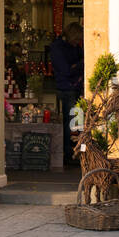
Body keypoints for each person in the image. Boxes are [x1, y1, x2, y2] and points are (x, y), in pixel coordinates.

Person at [49, 21, 84, 166]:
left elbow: (73, 67)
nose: (78, 43)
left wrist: (77, 65)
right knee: (71, 122)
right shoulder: (57, 48)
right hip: (67, 88)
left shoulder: (71, 47)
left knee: (77, 121)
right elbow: (66, 71)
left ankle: (76, 150)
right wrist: (80, 65)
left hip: (74, 87)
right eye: (76, 39)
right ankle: (69, 153)